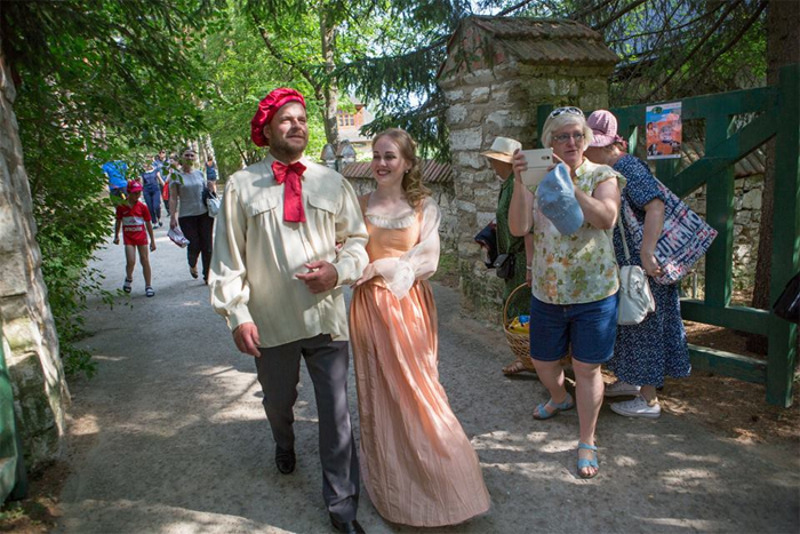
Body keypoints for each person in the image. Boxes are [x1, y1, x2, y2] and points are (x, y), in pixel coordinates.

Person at [208, 88, 368, 534]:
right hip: (271, 323)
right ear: (267, 129)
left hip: (325, 319)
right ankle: (284, 440)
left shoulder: (332, 181)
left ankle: (342, 510)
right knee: (279, 403)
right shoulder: (241, 186)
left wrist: (338, 272)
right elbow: (226, 257)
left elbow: (357, 239)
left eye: (301, 119)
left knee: (336, 415)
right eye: (286, 120)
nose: (296, 125)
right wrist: (237, 314)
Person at [349, 128, 490, 527]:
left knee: (420, 390)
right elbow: (348, 250)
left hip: (410, 306)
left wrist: (383, 266)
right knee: (381, 392)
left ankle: (447, 482)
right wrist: (361, 266)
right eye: (376, 155)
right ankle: (396, 486)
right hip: (370, 308)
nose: (380, 163)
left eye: (390, 156)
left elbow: (427, 257)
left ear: (408, 163)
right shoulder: (358, 205)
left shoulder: (424, 206)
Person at [508, 106, 624, 479]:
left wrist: (569, 185)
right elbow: (518, 227)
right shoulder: (535, 180)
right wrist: (519, 182)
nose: (571, 141)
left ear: (587, 139)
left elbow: (606, 217)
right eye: (562, 136)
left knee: (588, 369)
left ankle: (586, 440)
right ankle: (560, 399)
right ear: (549, 143)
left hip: (594, 292)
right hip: (548, 291)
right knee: (543, 361)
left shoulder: (601, 174)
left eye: (577, 134)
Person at [585, 109, 690, 419]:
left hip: (643, 269)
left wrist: (646, 252)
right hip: (634, 268)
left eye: (588, 144)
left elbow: (655, 204)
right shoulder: (617, 167)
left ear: (603, 145)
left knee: (645, 326)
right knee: (632, 324)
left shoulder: (626, 166)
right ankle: (632, 382)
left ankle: (648, 400)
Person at [481, 137, 535, 375]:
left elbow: (527, 225)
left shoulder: (516, 184)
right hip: (512, 257)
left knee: (520, 308)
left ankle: (528, 358)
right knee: (516, 306)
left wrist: (530, 265)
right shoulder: (507, 183)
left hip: (522, 257)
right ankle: (527, 357)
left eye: (494, 160)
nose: (492, 165)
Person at [169, 147, 213, 284]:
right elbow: (173, 198)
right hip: (186, 216)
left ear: (195, 158)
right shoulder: (176, 176)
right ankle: (192, 263)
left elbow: (207, 192)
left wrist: (211, 189)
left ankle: (208, 275)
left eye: (191, 155)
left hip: (205, 214)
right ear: (181, 158)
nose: (189, 158)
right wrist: (172, 217)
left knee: (207, 245)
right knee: (194, 244)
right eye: (186, 155)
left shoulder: (200, 174)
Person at [113, 180, 156, 297]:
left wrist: (152, 240)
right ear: (128, 193)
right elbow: (118, 221)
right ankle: (129, 277)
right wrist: (116, 235)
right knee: (131, 261)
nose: (137, 195)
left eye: (139, 193)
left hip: (141, 236)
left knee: (144, 260)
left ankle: (148, 285)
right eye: (134, 193)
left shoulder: (142, 207)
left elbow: (148, 223)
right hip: (129, 238)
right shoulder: (122, 206)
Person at [141, 157, 164, 228]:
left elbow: (160, 180)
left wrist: (166, 187)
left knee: (156, 206)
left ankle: (159, 217)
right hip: (146, 191)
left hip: (155, 190)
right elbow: (141, 183)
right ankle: (154, 222)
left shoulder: (155, 170)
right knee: (150, 207)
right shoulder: (142, 173)